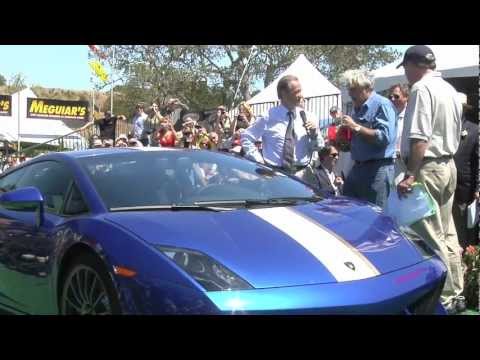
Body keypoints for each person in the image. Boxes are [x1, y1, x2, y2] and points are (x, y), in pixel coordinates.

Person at [396, 45, 464, 314]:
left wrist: (411, 173)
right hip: (448, 165)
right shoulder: (448, 89)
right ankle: (456, 292)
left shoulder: (422, 89)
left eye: (406, 68)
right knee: (448, 233)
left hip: (429, 168)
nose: (406, 74)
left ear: (414, 65)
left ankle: (445, 297)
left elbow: (420, 137)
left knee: (430, 235)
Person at [241, 75, 323, 187]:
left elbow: (318, 147)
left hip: (303, 177)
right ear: (284, 94)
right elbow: (246, 137)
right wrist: (260, 163)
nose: (301, 95)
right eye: (297, 91)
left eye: (301, 90)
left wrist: (315, 135)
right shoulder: (268, 116)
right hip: (274, 177)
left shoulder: (308, 116)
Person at [340, 69, 397, 209]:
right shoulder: (357, 107)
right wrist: (343, 137)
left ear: (367, 87)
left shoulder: (382, 105)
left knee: (376, 217)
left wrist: (355, 127)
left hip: (377, 170)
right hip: (357, 168)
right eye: (348, 88)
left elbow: (384, 137)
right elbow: (356, 141)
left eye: (353, 88)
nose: (350, 93)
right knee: (350, 213)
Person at [452, 92, 479, 249]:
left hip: (464, 189)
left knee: (465, 228)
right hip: (445, 186)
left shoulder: (475, 130)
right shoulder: (444, 128)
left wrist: (477, 188)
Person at [388, 83, 410, 185]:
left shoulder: (410, 116)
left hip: (404, 165)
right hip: (389, 165)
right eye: (390, 97)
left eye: (396, 96)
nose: (392, 99)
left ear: (406, 97)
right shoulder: (388, 116)